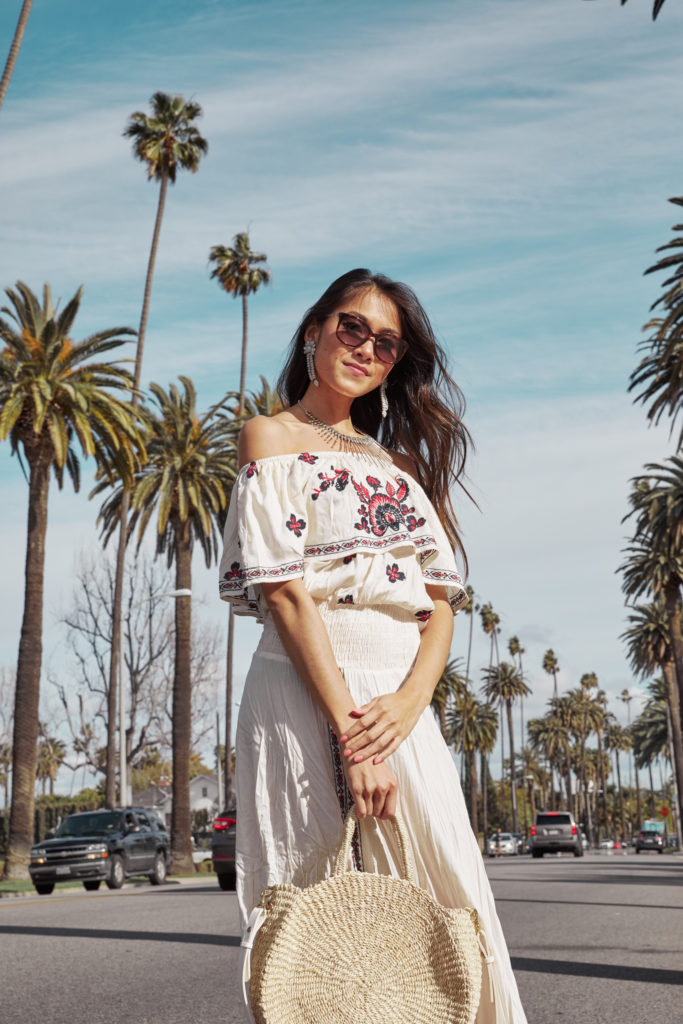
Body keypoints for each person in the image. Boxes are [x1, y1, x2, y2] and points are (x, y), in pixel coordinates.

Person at [219, 269, 527, 1024]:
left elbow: (440, 605)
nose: (364, 348)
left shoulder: (400, 468)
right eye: (350, 327)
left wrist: (407, 705)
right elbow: (287, 593)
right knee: (304, 904)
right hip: (302, 679)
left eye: (385, 343)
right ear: (313, 331)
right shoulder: (270, 436)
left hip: (397, 694)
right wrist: (355, 741)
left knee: (445, 886)